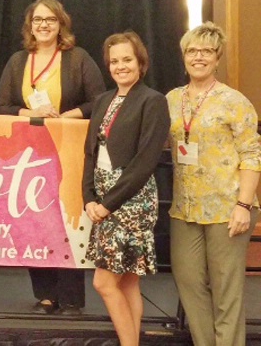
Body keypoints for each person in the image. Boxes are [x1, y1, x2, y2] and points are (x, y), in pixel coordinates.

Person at [0, 0, 106, 315]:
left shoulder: (78, 58)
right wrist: (29, 113)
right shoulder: (18, 61)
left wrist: (66, 116)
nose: (43, 25)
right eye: (37, 20)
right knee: (35, 222)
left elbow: (99, 101)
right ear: (30, 26)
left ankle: (71, 298)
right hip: (28, 157)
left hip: (68, 154)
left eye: (50, 20)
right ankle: (46, 295)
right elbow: (2, 106)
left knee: (67, 222)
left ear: (61, 25)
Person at [167, 22, 260, 346]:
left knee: (226, 291)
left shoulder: (234, 101)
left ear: (217, 58)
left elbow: (252, 154)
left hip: (228, 208)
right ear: (184, 57)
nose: (199, 57)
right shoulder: (171, 99)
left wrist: (244, 205)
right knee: (189, 284)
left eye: (206, 51)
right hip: (185, 209)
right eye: (192, 51)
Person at [83, 31, 170, 345]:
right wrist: (89, 198)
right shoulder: (103, 100)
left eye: (127, 60)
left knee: (104, 283)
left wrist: (108, 204)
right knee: (128, 283)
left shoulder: (153, 100)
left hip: (132, 200)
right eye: (114, 61)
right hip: (104, 195)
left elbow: (145, 162)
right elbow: (91, 153)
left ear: (140, 63)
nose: (120, 66)